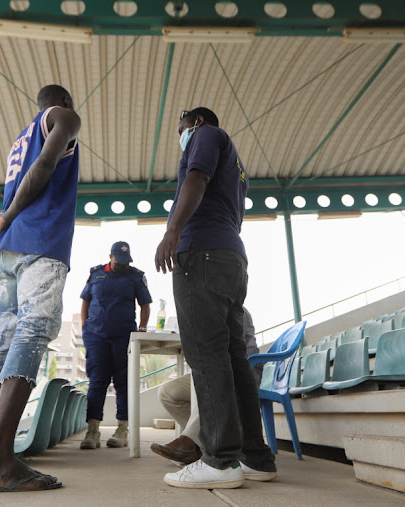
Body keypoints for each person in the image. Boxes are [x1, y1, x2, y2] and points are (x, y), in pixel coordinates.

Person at [0, 84, 81, 493]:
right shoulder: (64, 118)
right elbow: (43, 168)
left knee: (1, 343)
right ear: (65, 103)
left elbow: (27, 175)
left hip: (7, 253)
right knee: (33, 331)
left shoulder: (19, 139)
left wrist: (2, 223)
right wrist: (6, 217)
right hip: (38, 243)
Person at [154, 107, 276, 489]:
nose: (181, 137)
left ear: (196, 122)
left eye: (181, 130)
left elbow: (196, 176)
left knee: (206, 355)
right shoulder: (238, 167)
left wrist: (173, 231)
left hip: (202, 254)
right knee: (235, 359)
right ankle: (255, 456)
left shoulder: (206, 135)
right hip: (230, 258)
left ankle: (219, 461)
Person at [151, 307, 262, 466]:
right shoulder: (201, 307)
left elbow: (228, 347)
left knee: (205, 379)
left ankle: (190, 442)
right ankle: (205, 443)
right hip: (216, 370)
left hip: (245, 371)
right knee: (167, 392)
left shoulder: (236, 309)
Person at [79, 241, 153, 450]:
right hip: (96, 335)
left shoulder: (135, 276)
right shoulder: (96, 274)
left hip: (123, 336)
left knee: (123, 382)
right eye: (118, 260)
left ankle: (122, 429)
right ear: (110, 256)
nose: (122, 264)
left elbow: (145, 304)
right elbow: (85, 300)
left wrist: (143, 329)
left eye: (125, 261)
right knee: (97, 381)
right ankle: (92, 430)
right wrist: (85, 326)